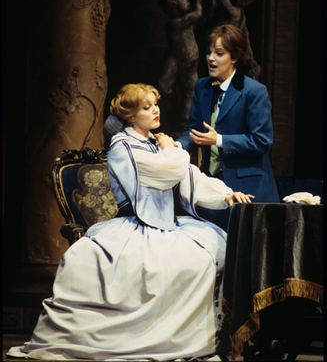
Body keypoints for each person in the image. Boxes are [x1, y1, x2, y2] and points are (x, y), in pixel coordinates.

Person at [8, 83, 253, 362]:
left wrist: (226, 194)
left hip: (168, 224)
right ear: (131, 117)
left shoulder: (153, 143)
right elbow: (171, 169)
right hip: (136, 225)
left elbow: (189, 176)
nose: (155, 110)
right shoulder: (123, 146)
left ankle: (198, 338)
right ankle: (152, 339)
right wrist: (171, 148)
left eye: (155, 104)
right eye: (146, 107)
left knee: (214, 249)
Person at [177, 24, 280, 231]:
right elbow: (193, 129)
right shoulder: (203, 86)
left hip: (248, 189)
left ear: (234, 57)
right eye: (208, 52)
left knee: (244, 254)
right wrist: (177, 147)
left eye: (219, 53)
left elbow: (262, 141)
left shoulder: (254, 91)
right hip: (212, 186)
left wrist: (219, 140)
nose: (210, 58)